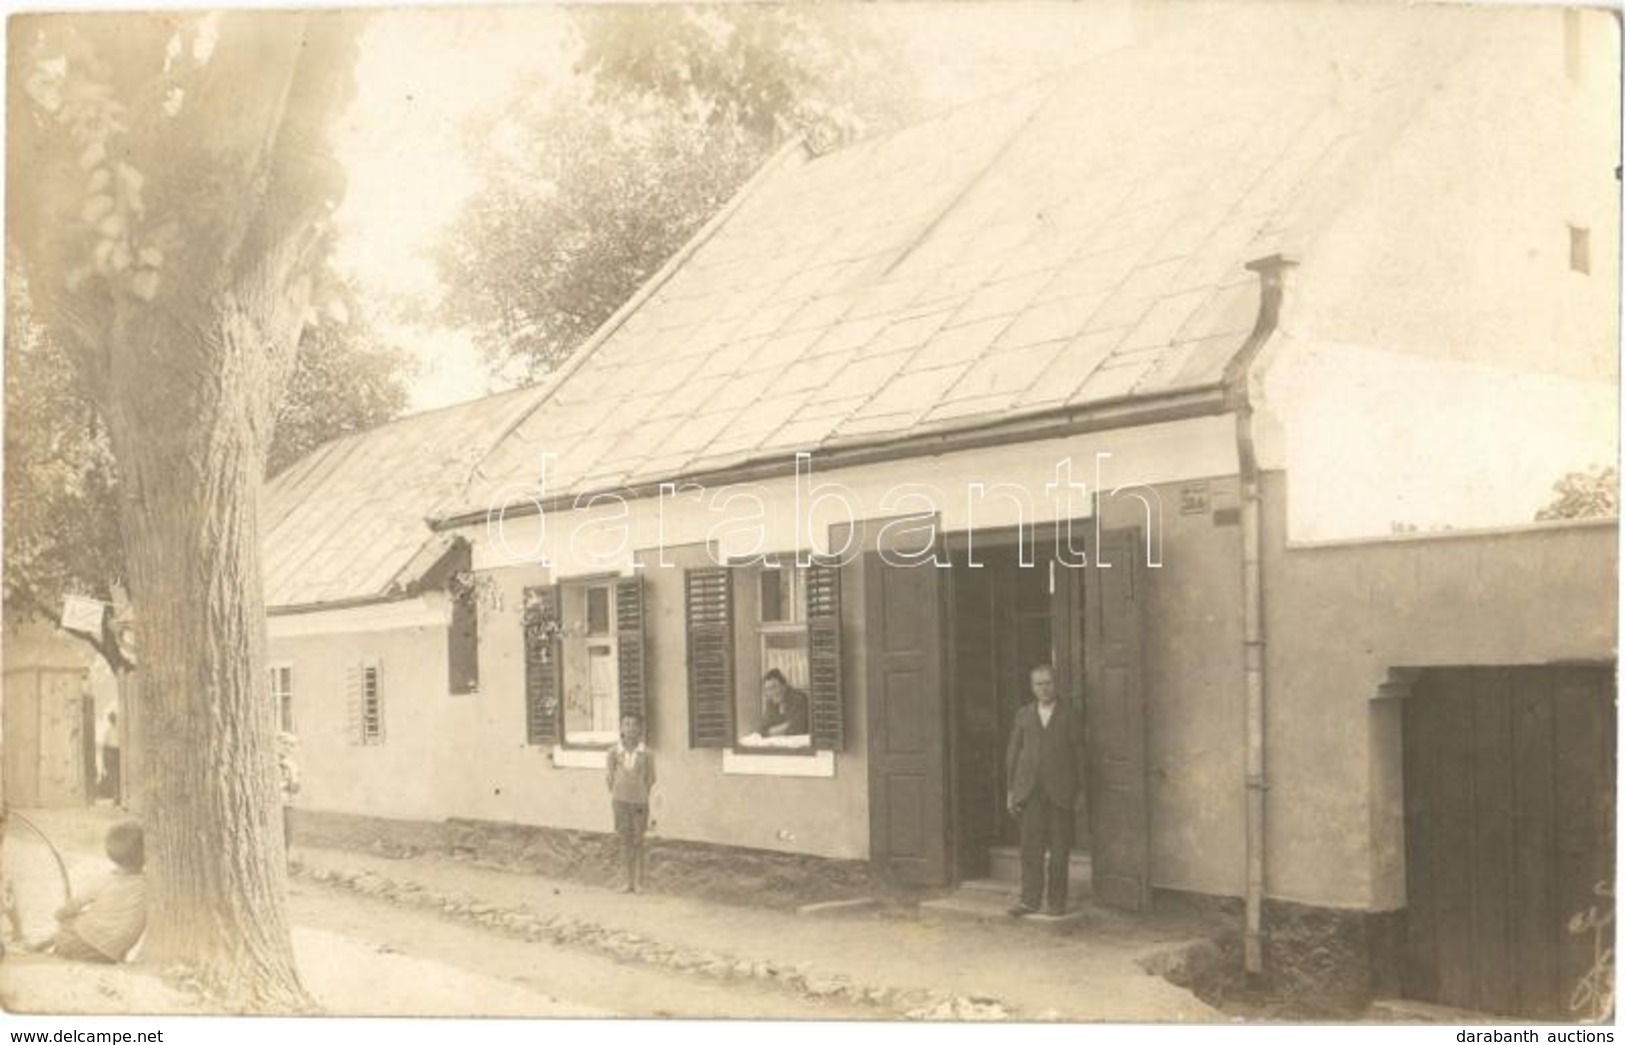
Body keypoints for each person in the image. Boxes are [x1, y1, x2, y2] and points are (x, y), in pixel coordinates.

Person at [1004, 663, 1085, 917]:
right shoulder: (1024, 715)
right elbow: (1013, 754)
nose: (1044, 688)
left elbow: (1080, 756)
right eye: (1039, 684)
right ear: (1032, 687)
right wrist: (1012, 790)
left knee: (1060, 849)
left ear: (1056, 684)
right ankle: (1029, 900)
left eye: (1048, 683)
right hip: (1030, 792)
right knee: (1031, 848)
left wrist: (1080, 792)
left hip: (1061, 792)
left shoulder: (1069, 714)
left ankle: (1056, 902)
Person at [38, 819, 146, 963]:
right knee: (84, 920)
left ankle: (50, 946)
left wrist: (61, 914)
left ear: (110, 853)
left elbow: (73, 906)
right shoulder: (149, 884)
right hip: (110, 953)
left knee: (69, 921)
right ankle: (50, 944)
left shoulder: (103, 880)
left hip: (80, 945)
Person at [605, 713, 655, 893]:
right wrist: (620, 792)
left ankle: (640, 882)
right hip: (620, 801)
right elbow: (609, 777)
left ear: (639, 729)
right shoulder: (613, 752)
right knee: (624, 839)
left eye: (634, 725)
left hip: (640, 802)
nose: (630, 729)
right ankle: (627, 881)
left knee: (638, 839)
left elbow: (651, 778)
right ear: (621, 728)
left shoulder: (646, 753)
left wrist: (639, 793)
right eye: (626, 724)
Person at [759, 669, 809, 737]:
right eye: (768, 689)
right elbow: (762, 730)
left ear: (784, 685)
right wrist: (785, 726)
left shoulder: (799, 698)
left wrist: (772, 731)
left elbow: (797, 728)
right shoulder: (771, 702)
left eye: (774, 687)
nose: (772, 692)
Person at [277, 732, 301, 857]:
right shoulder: (270, 763)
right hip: (274, 806)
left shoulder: (292, 765)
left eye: (292, 745)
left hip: (287, 805)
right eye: (285, 743)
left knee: (287, 837)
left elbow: (296, 789)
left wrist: (292, 775)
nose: (288, 747)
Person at [98, 710, 121, 805]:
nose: (113, 720)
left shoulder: (119, 729)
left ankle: (118, 797)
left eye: (114, 718)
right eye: (112, 718)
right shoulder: (109, 730)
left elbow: (104, 745)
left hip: (118, 752)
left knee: (118, 775)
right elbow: (104, 745)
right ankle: (116, 797)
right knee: (115, 775)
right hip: (112, 753)